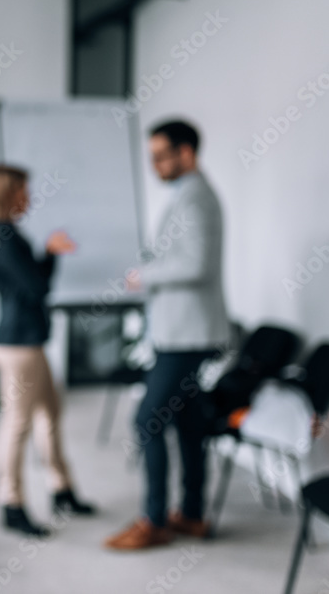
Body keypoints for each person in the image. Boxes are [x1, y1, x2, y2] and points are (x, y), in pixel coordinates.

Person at [105, 119, 231, 550]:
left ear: (187, 153)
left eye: (161, 155)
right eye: (152, 156)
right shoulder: (189, 194)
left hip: (187, 335)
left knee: (147, 419)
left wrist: (146, 275)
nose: (155, 164)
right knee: (189, 421)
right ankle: (192, 514)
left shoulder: (195, 198)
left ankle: (154, 520)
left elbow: (196, 265)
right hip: (183, 331)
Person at [0, 164, 96, 538]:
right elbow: (36, 288)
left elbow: (30, 283)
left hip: (28, 344)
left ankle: (61, 490)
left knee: (51, 414)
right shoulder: (5, 236)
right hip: (19, 347)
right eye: (23, 191)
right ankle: (12, 505)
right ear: (8, 193)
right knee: (19, 424)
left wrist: (45, 251)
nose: (28, 198)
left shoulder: (3, 233)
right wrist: (51, 253)